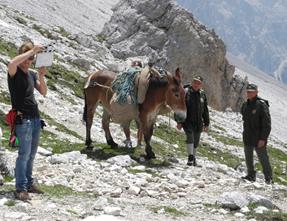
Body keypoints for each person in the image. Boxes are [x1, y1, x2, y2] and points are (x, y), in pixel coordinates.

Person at [7, 42, 47, 201]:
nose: (28, 60)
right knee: (23, 154)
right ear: (21, 54)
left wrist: (42, 76)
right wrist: (33, 50)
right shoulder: (14, 71)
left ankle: (29, 184)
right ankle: (21, 188)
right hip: (22, 119)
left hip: (35, 118)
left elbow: (43, 92)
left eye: (31, 58)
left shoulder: (31, 74)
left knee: (31, 154)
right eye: (27, 56)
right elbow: (11, 62)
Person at [241, 83, 273, 184]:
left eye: (251, 92)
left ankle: (269, 178)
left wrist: (263, 138)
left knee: (263, 158)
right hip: (247, 135)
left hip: (259, 137)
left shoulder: (261, 104)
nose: (249, 93)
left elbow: (267, 123)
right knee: (248, 157)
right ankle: (251, 175)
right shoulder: (245, 105)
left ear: (256, 92)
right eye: (248, 92)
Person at [176, 75, 210, 166]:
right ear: (192, 82)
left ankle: (193, 158)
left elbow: (205, 110)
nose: (196, 84)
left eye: (198, 83)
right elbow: (180, 107)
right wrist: (179, 121)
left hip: (198, 122)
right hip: (187, 121)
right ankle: (190, 158)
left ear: (201, 85)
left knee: (196, 141)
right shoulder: (186, 92)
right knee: (190, 137)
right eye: (195, 82)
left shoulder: (202, 94)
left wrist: (206, 124)